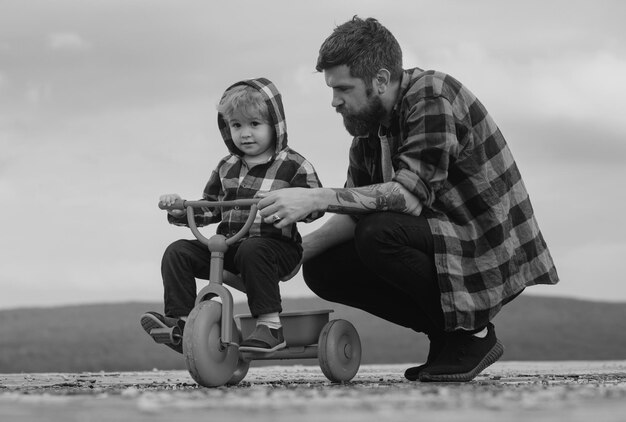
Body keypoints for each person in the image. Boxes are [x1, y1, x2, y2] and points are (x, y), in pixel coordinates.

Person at [256, 17, 559, 381]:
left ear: (381, 80)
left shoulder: (431, 95)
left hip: (483, 248)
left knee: (378, 233)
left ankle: (472, 334)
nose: (334, 101)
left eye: (343, 89)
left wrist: (316, 197)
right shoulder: (369, 131)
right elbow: (353, 212)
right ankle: (446, 336)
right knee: (322, 269)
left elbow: (408, 198)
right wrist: (288, 255)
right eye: (331, 89)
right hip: (439, 242)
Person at [141, 78, 323, 354]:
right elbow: (212, 206)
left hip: (278, 248)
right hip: (231, 246)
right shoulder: (226, 166)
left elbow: (316, 205)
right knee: (177, 252)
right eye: (236, 125)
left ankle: (271, 326)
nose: (245, 134)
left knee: (253, 248)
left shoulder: (294, 165)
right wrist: (181, 209)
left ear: (275, 125)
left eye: (254, 124)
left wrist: (290, 203)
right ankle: (181, 324)